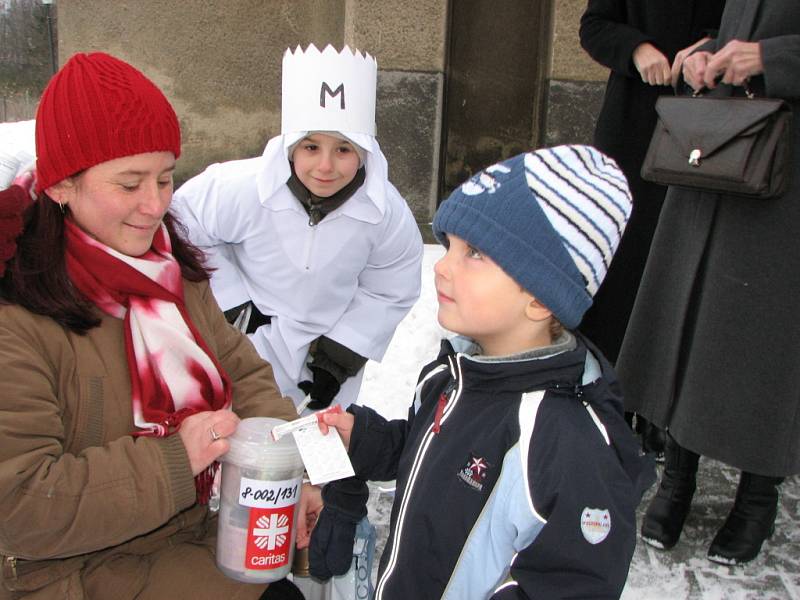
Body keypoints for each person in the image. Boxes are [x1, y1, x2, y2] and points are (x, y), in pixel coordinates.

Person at [0, 52, 305, 599]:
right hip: (79, 571)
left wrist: (291, 468)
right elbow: (18, 504)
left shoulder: (171, 272)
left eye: (165, 178)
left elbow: (247, 375)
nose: (154, 204)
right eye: (129, 183)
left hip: (191, 533)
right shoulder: (16, 317)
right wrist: (176, 459)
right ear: (61, 186)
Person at [313, 146, 653, 599]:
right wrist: (365, 439)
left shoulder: (568, 446)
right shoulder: (453, 374)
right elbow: (428, 455)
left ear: (540, 297)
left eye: (472, 252)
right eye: (449, 245)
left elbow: (570, 586)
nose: (441, 265)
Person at [617, 0, 800, 565]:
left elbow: (767, 41)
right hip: (718, 147)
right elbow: (739, 28)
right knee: (687, 311)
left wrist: (772, 57)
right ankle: (678, 473)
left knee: (771, 327)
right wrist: (704, 55)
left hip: (787, 167)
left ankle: (757, 494)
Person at [170, 44, 423, 413]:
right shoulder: (239, 186)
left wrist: (339, 359)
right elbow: (181, 225)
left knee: (310, 451)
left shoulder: (385, 213)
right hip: (245, 340)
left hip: (325, 355)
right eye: (311, 146)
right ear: (291, 147)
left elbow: (390, 288)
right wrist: (233, 305)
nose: (325, 166)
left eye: (343, 150)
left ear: (365, 152)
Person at [579, 0, 725, 456]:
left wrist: (711, 48)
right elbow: (595, 25)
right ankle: (612, 400)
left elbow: (750, 30)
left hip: (709, 124)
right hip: (633, 125)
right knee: (621, 268)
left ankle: (660, 407)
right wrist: (637, 48)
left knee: (681, 265)